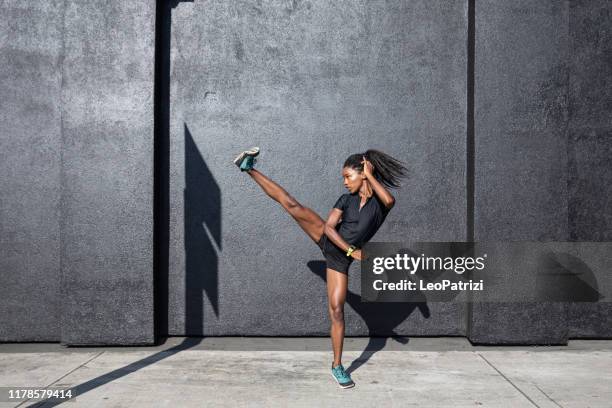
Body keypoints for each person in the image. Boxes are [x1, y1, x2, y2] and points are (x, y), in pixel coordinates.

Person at [233, 146, 408, 389]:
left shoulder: (380, 204)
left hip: (339, 261)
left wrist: (369, 175)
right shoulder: (345, 199)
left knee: (337, 310)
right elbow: (328, 228)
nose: (345, 182)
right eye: (343, 177)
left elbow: (390, 199)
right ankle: (249, 168)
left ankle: (336, 366)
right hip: (332, 242)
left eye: (348, 176)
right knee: (292, 205)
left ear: (364, 173)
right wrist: (350, 250)